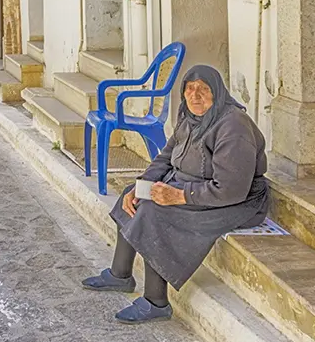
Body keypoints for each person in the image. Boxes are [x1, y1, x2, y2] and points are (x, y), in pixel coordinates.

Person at [81, 64, 269, 324]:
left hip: (237, 201)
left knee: (155, 211)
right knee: (135, 196)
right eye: (190, 89)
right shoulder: (189, 117)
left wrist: (179, 196)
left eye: (204, 90)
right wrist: (143, 183)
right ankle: (120, 274)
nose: (195, 96)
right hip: (192, 186)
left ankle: (155, 302)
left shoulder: (233, 126)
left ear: (218, 93)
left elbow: (230, 189)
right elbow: (167, 155)